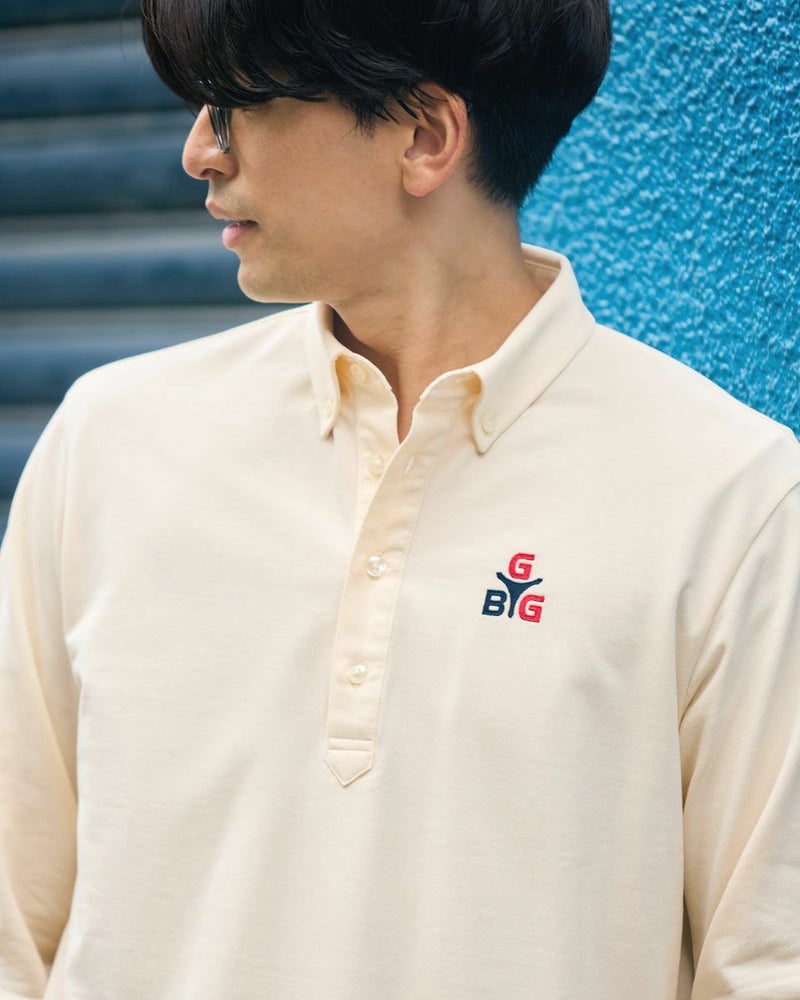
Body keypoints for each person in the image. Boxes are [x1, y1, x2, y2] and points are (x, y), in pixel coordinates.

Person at [1, 0, 798, 997]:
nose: (199, 152)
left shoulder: (730, 497)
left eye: (236, 103)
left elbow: (767, 964)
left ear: (423, 136)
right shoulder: (108, 442)